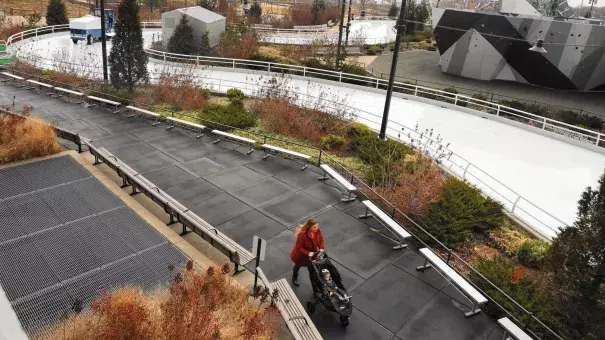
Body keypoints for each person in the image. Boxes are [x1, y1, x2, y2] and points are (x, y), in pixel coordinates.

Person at [290, 218, 324, 289]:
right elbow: (299, 247)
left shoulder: (317, 230)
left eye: (317, 226)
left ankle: (314, 285)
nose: (316, 228)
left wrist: (321, 247)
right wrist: (308, 253)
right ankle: (294, 277)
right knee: (297, 266)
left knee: (312, 269)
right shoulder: (302, 235)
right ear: (309, 227)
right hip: (301, 256)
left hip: (313, 255)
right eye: (314, 227)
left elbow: (320, 238)